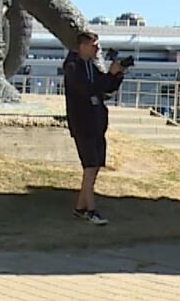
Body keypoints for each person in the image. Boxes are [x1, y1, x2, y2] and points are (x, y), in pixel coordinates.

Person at [64, 31, 128, 225]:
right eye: (94, 46)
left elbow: (105, 87)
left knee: (94, 166)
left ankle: (80, 208)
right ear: (83, 46)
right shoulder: (73, 67)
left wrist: (117, 74)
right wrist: (109, 75)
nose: (97, 49)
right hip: (83, 124)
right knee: (90, 167)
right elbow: (88, 88)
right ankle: (91, 210)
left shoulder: (90, 66)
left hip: (97, 123)